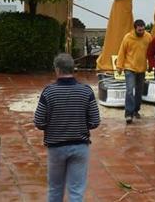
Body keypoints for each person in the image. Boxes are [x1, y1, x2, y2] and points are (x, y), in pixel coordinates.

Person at [34, 53, 100, 202]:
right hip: (80, 146)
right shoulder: (86, 91)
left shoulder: (49, 92)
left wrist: (51, 127)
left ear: (57, 70)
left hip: (56, 146)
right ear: (73, 69)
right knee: (76, 191)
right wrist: (82, 125)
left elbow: (38, 121)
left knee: (55, 189)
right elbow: (95, 121)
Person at [116, 19, 152, 124]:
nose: (141, 32)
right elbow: (121, 52)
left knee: (139, 92)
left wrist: (151, 65)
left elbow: (151, 52)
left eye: (143, 30)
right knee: (130, 90)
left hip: (142, 69)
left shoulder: (148, 37)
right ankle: (128, 114)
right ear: (135, 28)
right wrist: (119, 66)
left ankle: (136, 110)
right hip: (129, 68)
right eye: (139, 30)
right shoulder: (127, 37)